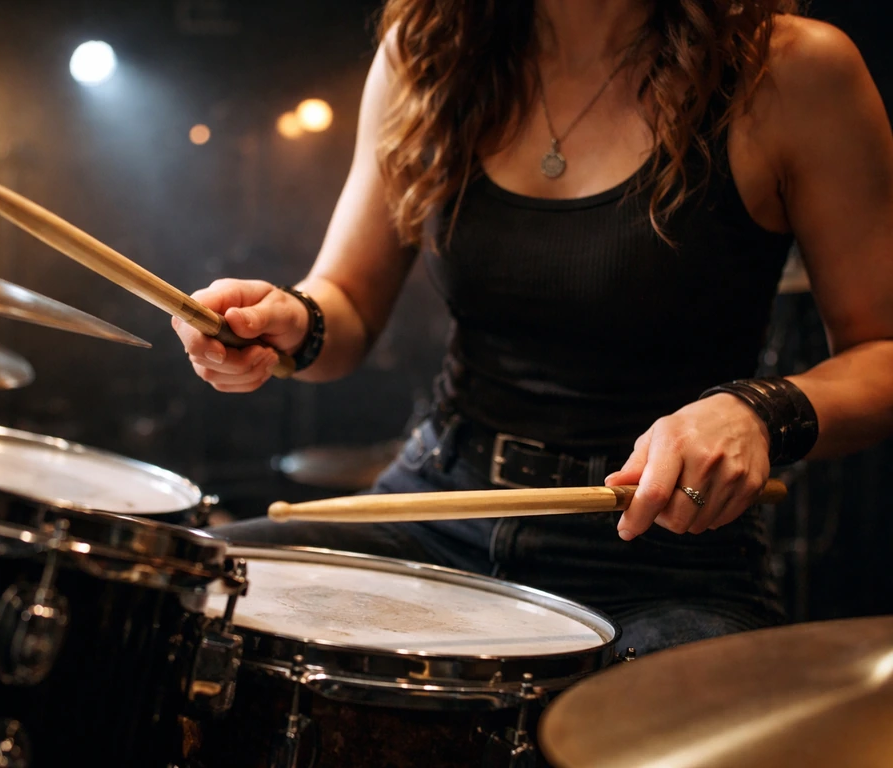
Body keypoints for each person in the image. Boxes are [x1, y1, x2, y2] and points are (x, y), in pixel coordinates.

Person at [173, 0, 893, 654]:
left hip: (667, 553)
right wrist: (291, 321)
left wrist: (758, 412)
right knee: (166, 595)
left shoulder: (791, 70)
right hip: (438, 498)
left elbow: (881, 355)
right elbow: (347, 305)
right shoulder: (426, 51)